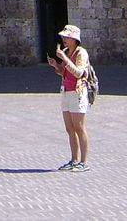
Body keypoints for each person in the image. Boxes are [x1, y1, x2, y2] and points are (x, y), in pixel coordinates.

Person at [46, 23, 91, 172]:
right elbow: (65, 73)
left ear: (74, 39)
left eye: (67, 37)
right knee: (69, 128)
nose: (64, 39)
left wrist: (64, 58)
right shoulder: (66, 51)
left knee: (79, 127)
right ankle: (74, 159)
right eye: (64, 37)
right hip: (66, 91)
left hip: (78, 92)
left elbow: (78, 72)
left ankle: (83, 161)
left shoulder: (81, 53)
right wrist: (55, 65)